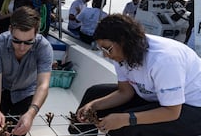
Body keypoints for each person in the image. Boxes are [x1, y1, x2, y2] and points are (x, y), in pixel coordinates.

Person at [69, 14, 201, 136]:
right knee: (94, 94)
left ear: (124, 41)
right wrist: (94, 105)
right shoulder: (121, 54)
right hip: (157, 98)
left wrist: (126, 119)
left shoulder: (164, 59)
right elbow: (125, 92)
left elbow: (172, 111)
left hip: (191, 108)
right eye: (101, 49)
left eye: (107, 48)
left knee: (125, 126)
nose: (105, 55)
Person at [0, 6, 53, 136]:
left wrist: (31, 113)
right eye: (16, 40)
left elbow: (43, 85)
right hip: (2, 90)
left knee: (18, 130)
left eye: (28, 42)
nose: (22, 48)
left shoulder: (44, 47)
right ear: (10, 30)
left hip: (26, 92)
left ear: (36, 33)